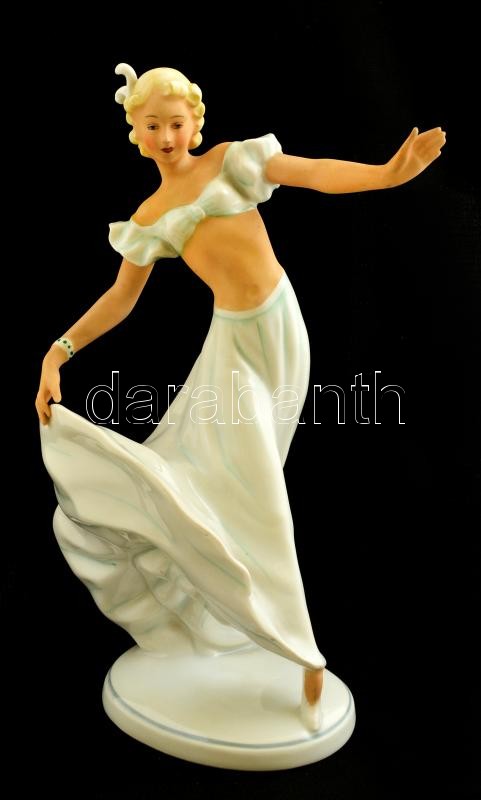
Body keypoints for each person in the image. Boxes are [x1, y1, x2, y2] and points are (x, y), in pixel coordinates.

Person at [36, 63, 446, 734]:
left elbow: (311, 172)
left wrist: (384, 175)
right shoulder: (150, 216)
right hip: (230, 350)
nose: (166, 136)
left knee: (252, 481)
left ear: (194, 124)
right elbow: (121, 298)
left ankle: (236, 611)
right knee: (256, 491)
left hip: (281, 331)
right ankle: (297, 646)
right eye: (152, 125)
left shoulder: (232, 161)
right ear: (136, 132)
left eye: (176, 123)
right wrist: (59, 350)